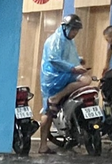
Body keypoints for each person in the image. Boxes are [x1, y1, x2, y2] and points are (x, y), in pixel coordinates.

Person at [37, 14, 93, 155]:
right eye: (73, 29)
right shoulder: (55, 40)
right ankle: (43, 145)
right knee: (48, 112)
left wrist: (78, 61)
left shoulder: (68, 41)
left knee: (86, 83)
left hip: (64, 74)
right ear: (65, 27)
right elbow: (54, 60)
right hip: (53, 77)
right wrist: (73, 68)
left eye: (76, 30)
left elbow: (67, 56)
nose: (75, 33)